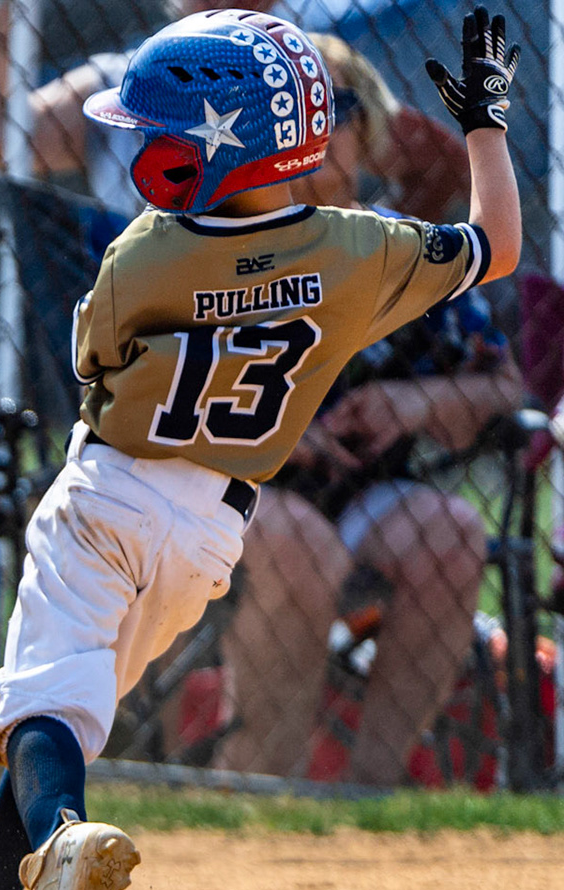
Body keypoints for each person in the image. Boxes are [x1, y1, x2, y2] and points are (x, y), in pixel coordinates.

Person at [0, 8, 520, 890]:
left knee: (47, 700)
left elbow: (97, 362)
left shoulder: (145, 254)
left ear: (196, 158)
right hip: (215, 534)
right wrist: (485, 123)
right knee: (66, 709)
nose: (141, 147)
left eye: (155, 135)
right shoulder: (359, 248)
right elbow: (498, 245)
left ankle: (55, 850)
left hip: (112, 494)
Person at [212, 36, 522, 786]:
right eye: (289, 111)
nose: (315, 129)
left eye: (336, 108)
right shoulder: (223, 242)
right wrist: (282, 429)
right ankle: (261, 790)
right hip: (240, 489)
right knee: (303, 551)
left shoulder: (399, 246)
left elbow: (505, 387)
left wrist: (416, 403)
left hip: (367, 494)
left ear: (368, 131)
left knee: (451, 532)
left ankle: (369, 794)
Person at [0, 0, 468, 222]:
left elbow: (447, 164)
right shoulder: (125, 84)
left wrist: (376, 265)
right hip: (162, 326)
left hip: (303, 315)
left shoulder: (311, 72)